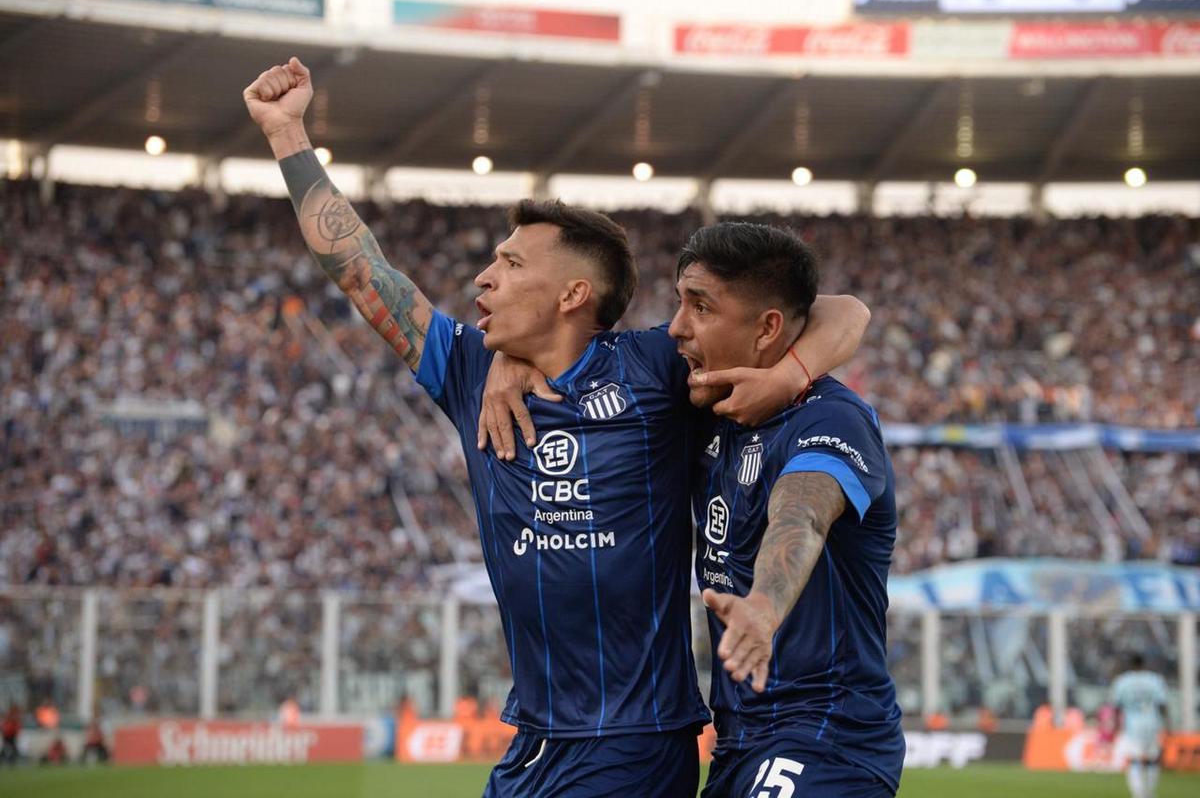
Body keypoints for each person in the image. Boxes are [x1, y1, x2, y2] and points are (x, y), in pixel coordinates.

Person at [243, 58, 867, 796]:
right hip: (533, 740)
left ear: (574, 293)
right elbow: (362, 272)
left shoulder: (655, 371)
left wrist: (788, 375)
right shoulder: (472, 371)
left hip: (632, 741)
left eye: (509, 263)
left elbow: (839, 311)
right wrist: (287, 133)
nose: (483, 278)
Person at [668, 222, 903, 797]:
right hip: (739, 741)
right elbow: (842, 310)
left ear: (767, 328)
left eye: (700, 307)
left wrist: (764, 607)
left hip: (826, 734)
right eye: (680, 303)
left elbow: (802, 515)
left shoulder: (829, 419)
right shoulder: (710, 406)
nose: (676, 327)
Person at [1112, 653, 1170, 798]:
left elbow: (1116, 706)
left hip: (1132, 725)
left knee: (1135, 760)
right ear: (1144, 664)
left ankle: (1138, 793)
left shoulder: (1123, 681)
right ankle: (1149, 793)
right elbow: (1162, 704)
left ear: (1130, 665)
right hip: (1152, 724)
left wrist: (1115, 725)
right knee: (1152, 760)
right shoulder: (1154, 680)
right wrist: (1169, 724)